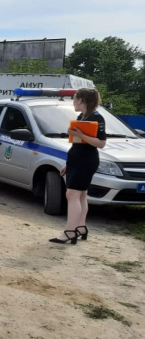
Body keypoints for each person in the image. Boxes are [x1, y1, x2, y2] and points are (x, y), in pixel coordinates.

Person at [49, 88, 106, 244]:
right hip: (77, 160)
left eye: (74, 98)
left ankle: (69, 232)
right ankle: (80, 228)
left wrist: (80, 134)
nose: (73, 101)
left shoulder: (96, 118)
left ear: (81, 100)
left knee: (72, 195)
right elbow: (77, 145)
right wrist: (68, 164)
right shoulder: (82, 116)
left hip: (86, 161)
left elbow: (101, 143)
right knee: (80, 195)